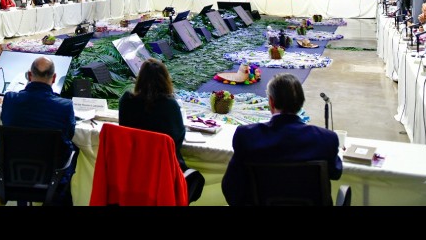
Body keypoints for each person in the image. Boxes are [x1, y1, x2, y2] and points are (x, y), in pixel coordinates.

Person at [221, 73, 342, 206]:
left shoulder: (247, 136)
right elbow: (335, 173)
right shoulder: (326, 139)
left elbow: (230, 187)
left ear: (271, 102)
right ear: (301, 102)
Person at [118, 58, 204, 203]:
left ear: (140, 79)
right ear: (165, 80)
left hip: (130, 170)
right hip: (164, 175)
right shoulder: (169, 105)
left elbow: (123, 130)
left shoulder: (126, 101)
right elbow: (176, 140)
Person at [0, 55, 78, 205]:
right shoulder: (65, 106)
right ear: (54, 78)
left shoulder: (10, 100)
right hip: (52, 179)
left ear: (29, 76)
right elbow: (70, 134)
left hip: (12, 175)